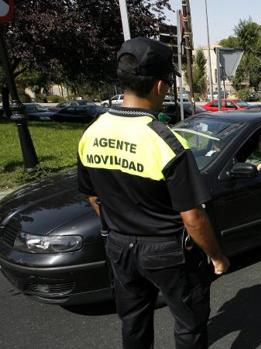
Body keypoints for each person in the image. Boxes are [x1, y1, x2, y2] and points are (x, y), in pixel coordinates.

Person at [76, 37, 229, 349]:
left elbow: (91, 195)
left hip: (119, 246)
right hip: (167, 252)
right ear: (160, 86)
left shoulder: (92, 133)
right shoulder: (167, 142)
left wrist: (118, 223)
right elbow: (193, 216)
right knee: (189, 323)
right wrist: (216, 256)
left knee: (133, 321)